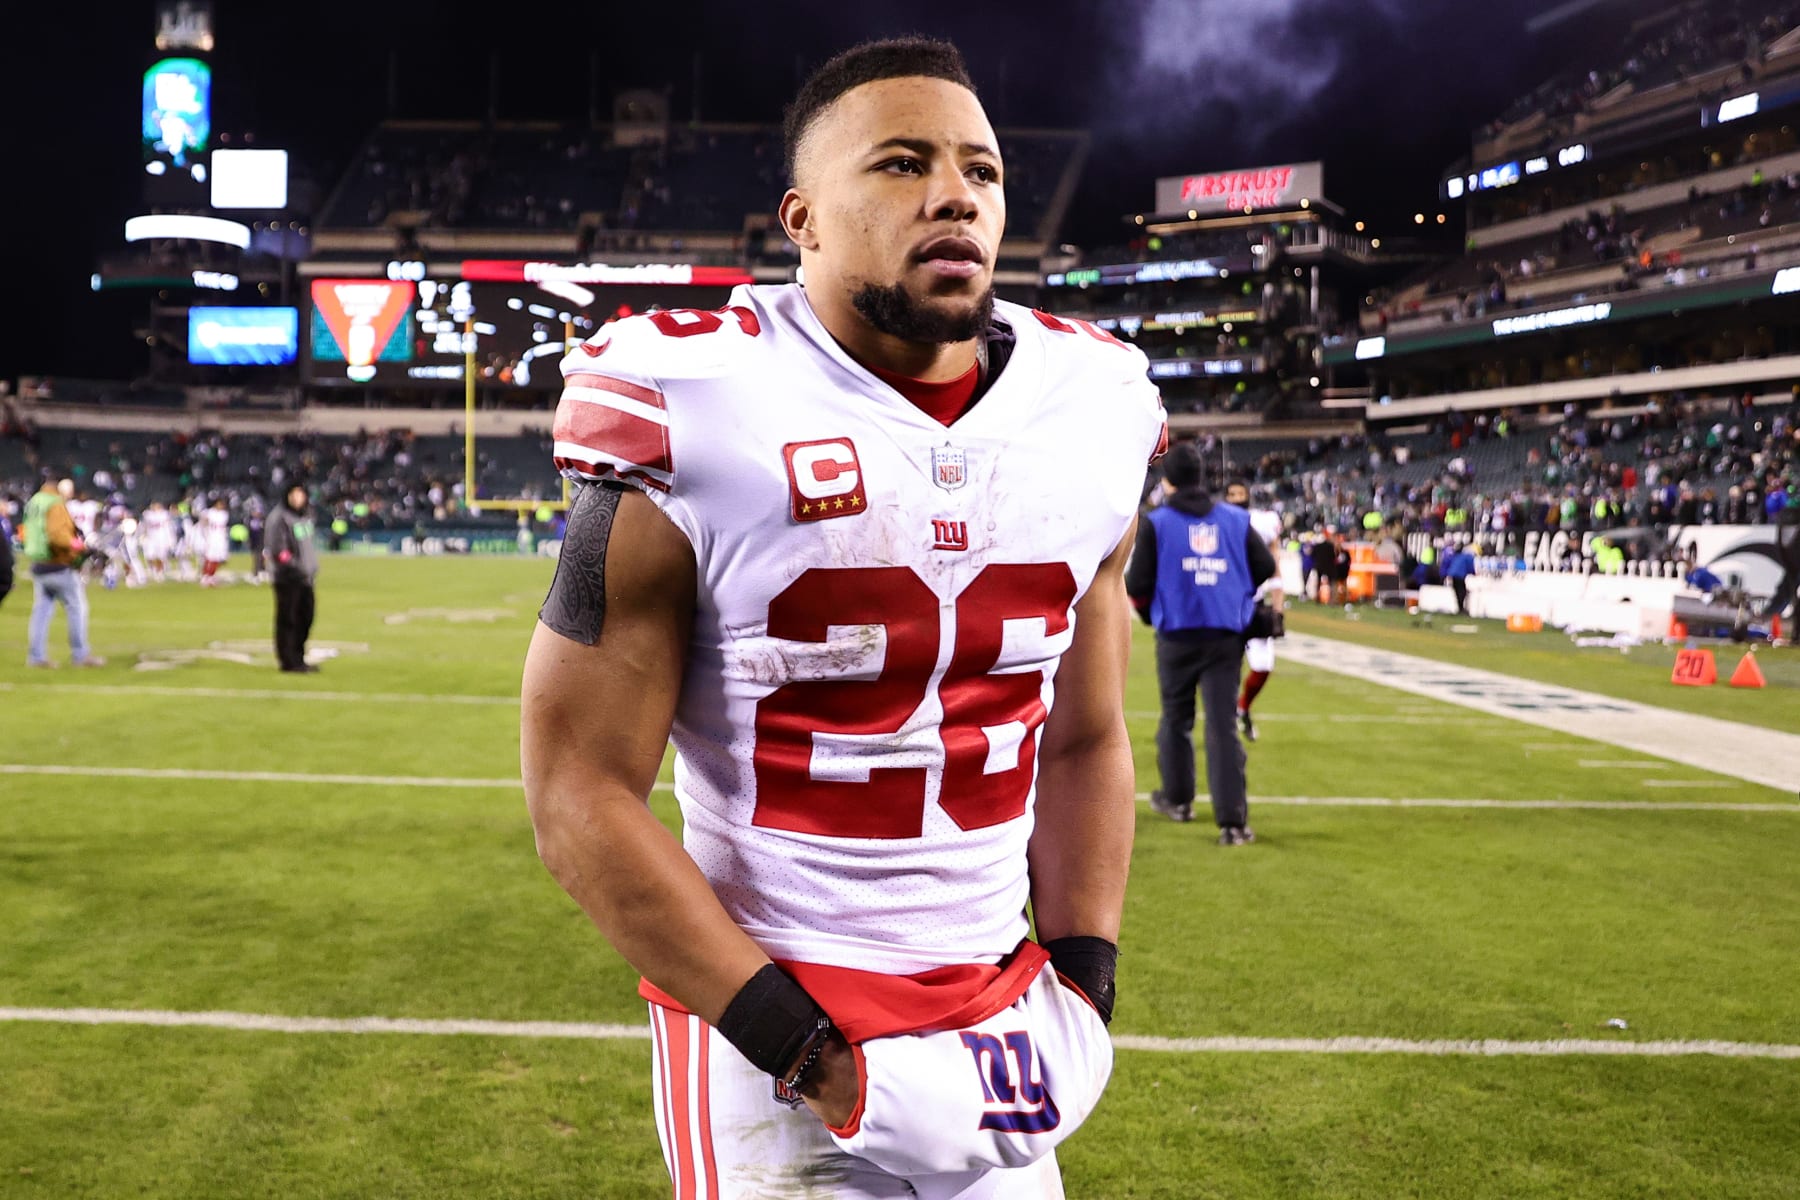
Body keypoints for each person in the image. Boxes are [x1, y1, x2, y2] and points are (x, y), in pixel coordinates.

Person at [521, 37, 1165, 1199]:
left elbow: (1082, 736)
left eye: (981, 169)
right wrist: (803, 1050)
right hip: (767, 1012)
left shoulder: (1099, 405)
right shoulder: (696, 402)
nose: (955, 194)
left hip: (998, 1008)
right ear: (802, 216)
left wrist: (1083, 975)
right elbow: (576, 790)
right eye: (903, 164)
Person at [1126, 443, 1274, 844]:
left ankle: (1178, 800)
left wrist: (1152, 612)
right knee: (1222, 725)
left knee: (1176, 719)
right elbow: (1265, 567)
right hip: (1225, 635)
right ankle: (1232, 822)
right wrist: (1231, 592)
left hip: (1176, 633)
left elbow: (1136, 585)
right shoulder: (1234, 520)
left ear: (1168, 481)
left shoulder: (1157, 523)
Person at [22, 474, 103, 668]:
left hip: (39, 564)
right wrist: (78, 546)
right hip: (58, 565)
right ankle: (80, 655)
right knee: (77, 609)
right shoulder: (54, 504)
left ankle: (36, 657)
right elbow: (57, 536)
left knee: (41, 612)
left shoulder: (34, 502)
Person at [1223, 482, 1283, 743]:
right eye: (1232, 495)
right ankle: (1224, 721)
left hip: (1255, 604)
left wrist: (1278, 607)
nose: (1237, 499)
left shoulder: (1264, 522)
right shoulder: (1217, 522)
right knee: (1224, 670)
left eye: (1241, 494)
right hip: (1225, 606)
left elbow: (1275, 567)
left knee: (1263, 665)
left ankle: (1242, 707)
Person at [264, 485, 319, 673]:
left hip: (306, 578)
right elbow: (279, 551)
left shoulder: (304, 516)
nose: (297, 498)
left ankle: (299, 656)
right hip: (288, 578)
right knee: (289, 619)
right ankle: (289, 661)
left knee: (306, 617)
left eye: (301, 494)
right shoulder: (279, 518)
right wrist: (296, 567)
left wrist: (309, 568)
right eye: (294, 494)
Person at [200, 498, 231, 586]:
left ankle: (211, 575)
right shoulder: (210, 512)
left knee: (218, 557)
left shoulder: (224, 514)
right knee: (210, 557)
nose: (221, 506)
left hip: (220, 537)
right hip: (211, 536)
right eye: (220, 504)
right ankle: (205, 576)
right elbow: (203, 521)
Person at [1444, 541, 1477, 614]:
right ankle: (1461, 608)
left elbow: (1447, 564)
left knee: (1458, 592)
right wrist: (1473, 573)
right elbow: (1470, 566)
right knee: (1462, 592)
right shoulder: (1466, 556)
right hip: (1460, 575)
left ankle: (1460, 608)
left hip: (1453, 574)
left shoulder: (1455, 556)